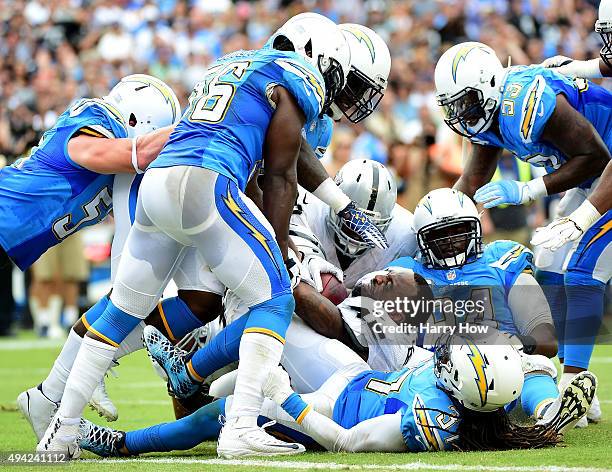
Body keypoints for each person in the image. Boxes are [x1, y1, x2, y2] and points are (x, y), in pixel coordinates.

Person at [36, 15, 359, 459]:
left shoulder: (230, 63)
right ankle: (242, 427)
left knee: (122, 309)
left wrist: (333, 201)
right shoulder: (298, 75)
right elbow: (281, 175)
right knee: (277, 299)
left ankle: (62, 430)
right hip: (206, 180)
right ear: (315, 56)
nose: (330, 87)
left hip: (158, 181)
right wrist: (279, 254)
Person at [434, 41, 611, 427]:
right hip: (589, 181)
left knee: (584, 270)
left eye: (465, 102)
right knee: (548, 261)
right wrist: (440, 217)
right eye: (453, 106)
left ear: (489, 86)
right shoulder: (489, 115)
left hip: (606, 170)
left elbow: (596, 155)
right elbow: (473, 178)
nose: (460, 114)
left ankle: (576, 381)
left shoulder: (524, 102)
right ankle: (561, 376)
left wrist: (529, 189)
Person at [77, 334, 597, 457]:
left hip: (330, 410)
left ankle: (118, 444)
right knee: (268, 337)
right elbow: (533, 371)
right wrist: (555, 405)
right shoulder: (498, 390)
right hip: (353, 375)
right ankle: (213, 373)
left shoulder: (431, 419)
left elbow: (348, 442)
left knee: (217, 415)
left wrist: (292, 402)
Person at [391, 188, 562, 421]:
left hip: (502, 370)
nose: (451, 241)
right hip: (435, 375)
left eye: (459, 230)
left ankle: (549, 413)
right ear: (422, 238)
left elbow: (546, 339)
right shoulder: (405, 273)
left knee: (536, 364)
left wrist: (507, 347)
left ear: (475, 228)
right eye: (441, 234)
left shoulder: (501, 260)